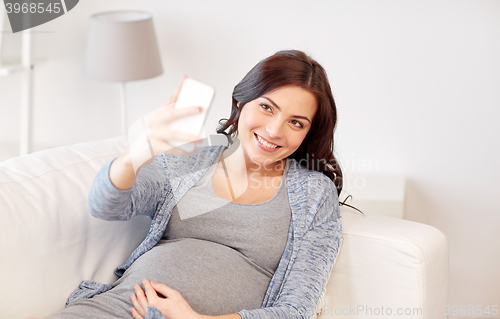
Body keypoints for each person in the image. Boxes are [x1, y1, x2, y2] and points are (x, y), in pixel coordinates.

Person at [51, 49, 343, 319]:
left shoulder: (313, 194)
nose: (274, 130)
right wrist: (136, 153)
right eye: (267, 107)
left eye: (296, 123)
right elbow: (106, 206)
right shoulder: (188, 160)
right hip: (114, 308)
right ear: (241, 101)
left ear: (307, 132)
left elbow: (295, 311)